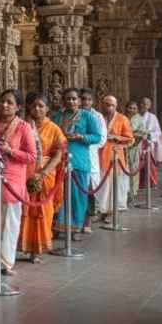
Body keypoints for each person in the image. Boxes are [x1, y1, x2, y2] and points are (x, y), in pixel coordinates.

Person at [0, 89, 37, 276]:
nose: (4, 105)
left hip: (11, 181)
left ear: (18, 107)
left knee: (8, 223)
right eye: (2, 101)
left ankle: (5, 262)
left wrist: (10, 151)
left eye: (9, 102)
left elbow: (32, 156)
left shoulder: (23, 127)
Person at [19, 92, 66, 263]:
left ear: (47, 109)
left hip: (45, 175)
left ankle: (36, 250)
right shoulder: (22, 125)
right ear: (29, 107)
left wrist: (43, 173)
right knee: (24, 210)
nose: (37, 109)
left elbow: (58, 154)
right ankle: (21, 245)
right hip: (24, 172)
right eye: (34, 106)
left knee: (42, 212)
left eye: (41, 106)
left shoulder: (53, 128)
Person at [52, 89, 103, 236]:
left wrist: (82, 137)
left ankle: (76, 227)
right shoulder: (57, 117)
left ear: (79, 101)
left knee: (78, 197)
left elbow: (97, 137)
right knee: (59, 194)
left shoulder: (88, 116)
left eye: (74, 99)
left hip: (79, 162)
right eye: (68, 99)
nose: (71, 101)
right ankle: (58, 226)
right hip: (59, 160)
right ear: (63, 100)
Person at [96, 95, 134, 224]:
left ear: (116, 106)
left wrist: (116, 137)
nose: (109, 107)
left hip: (115, 156)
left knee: (113, 186)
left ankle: (111, 213)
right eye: (107, 105)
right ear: (102, 105)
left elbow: (130, 139)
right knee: (101, 186)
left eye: (112, 105)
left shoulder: (122, 119)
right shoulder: (99, 118)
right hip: (99, 155)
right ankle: (102, 211)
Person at [79, 89, 106, 232]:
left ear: (93, 101)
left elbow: (101, 139)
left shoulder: (97, 116)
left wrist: (84, 140)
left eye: (89, 99)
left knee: (89, 191)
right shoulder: (73, 114)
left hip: (90, 155)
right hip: (75, 157)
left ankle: (87, 223)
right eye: (83, 99)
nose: (86, 102)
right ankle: (74, 222)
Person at [137, 97, 162, 189]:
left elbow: (157, 132)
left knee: (149, 164)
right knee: (137, 163)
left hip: (148, 144)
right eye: (142, 103)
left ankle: (151, 182)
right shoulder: (136, 116)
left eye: (146, 104)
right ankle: (139, 183)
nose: (143, 105)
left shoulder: (153, 117)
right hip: (137, 143)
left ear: (149, 106)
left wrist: (148, 135)